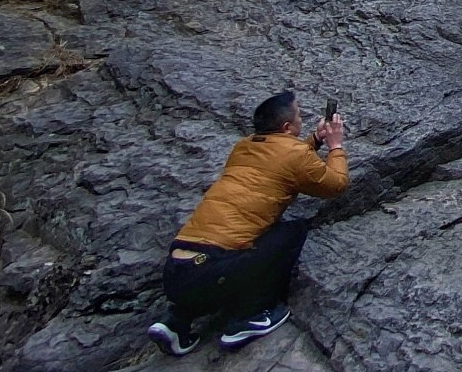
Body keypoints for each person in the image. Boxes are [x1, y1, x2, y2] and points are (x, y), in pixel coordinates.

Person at [147, 90, 349, 356]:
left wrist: (315, 140)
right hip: (214, 270)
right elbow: (336, 185)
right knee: (292, 232)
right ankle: (249, 316)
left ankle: (175, 321)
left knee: (229, 251)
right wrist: (335, 146)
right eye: (299, 115)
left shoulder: (243, 146)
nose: (302, 119)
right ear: (288, 127)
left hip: (176, 271)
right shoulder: (295, 155)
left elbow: (279, 160)